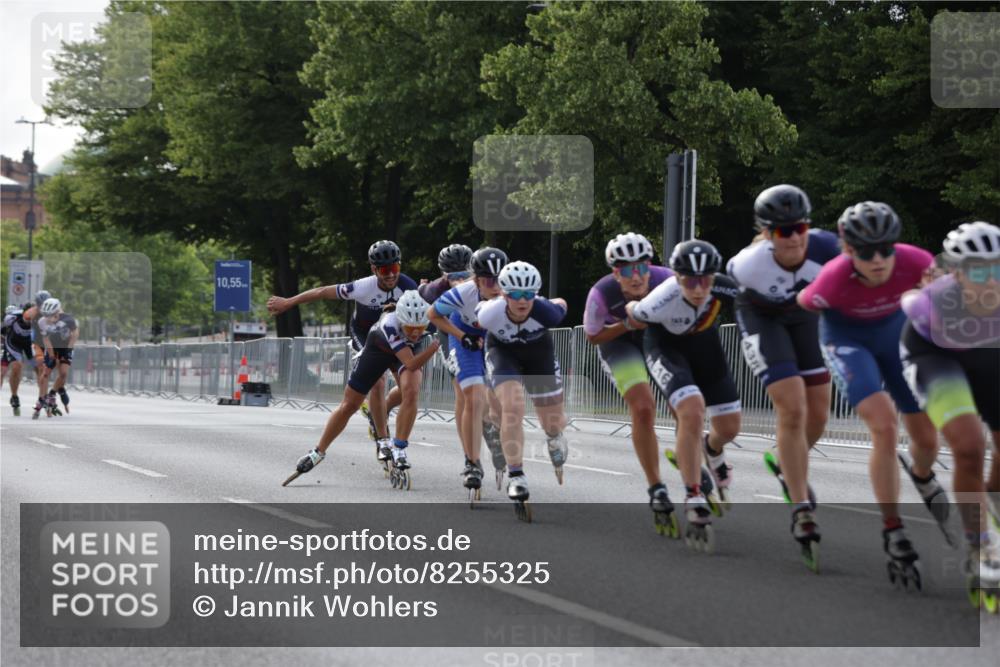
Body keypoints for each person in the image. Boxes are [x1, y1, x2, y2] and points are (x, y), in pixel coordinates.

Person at [798, 202, 950, 584]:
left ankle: (921, 473)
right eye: (867, 252)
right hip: (848, 342)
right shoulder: (833, 278)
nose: (879, 259)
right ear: (849, 251)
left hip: (896, 338)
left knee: (927, 438)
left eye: (887, 248)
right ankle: (893, 528)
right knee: (883, 427)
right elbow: (802, 304)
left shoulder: (916, 262)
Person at [727, 184, 839, 570]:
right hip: (762, 318)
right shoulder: (747, 264)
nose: (792, 238)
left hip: (805, 317)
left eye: (799, 228)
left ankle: (786, 461)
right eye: (781, 231)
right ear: (766, 233)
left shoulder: (829, 249)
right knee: (792, 409)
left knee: (819, 415)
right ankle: (800, 506)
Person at [899, 221, 1000, 609]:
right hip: (935, 355)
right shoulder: (929, 304)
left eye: (996, 269)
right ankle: (980, 546)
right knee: (970, 445)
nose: (990, 281)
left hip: (987, 357)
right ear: (957, 274)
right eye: (978, 271)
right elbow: (906, 303)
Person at [627, 240, 741, 549]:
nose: (699, 288)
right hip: (666, 349)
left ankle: (712, 449)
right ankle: (693, 493)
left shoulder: (725, 288)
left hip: (706, 348)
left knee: (730, 427)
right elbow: (634, 312)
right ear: (677, 278)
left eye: (706, 280)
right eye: (690, 280)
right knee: (691, 411)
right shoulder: (660, 298)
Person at [267, 240, 418, 458]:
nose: (391, 275)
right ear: (374, 270)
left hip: (394, 336)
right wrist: (289, 302)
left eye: (395, 268)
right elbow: (321, 292)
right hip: (366, 335)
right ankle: (383, 439)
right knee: (377, 381)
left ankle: (380, 411)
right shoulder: (363, 286)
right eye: (385, 270)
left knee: (408, 388)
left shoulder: (408, 286)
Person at [283, 290, 440, 489]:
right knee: (350, 405)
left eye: (421, 328)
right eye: (410, 328)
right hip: (379, 348)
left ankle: (399, 447)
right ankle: (317, 452)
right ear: (401, 320)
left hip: (408, 351)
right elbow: (410, 363)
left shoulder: (429, 317)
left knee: (411, 390)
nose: (416, 333)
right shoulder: (390, 325)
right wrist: (433, 348)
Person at [583, 232, 679, 535]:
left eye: (641, 267)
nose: (636, 276)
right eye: (626, 270)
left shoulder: (667, 280)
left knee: (682, 400)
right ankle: (656, 487)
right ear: (616, 273)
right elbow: (592, 335)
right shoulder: (601, 293)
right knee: (643, 409)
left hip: (658, 338)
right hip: (618, 342)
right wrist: (625, 324)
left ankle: (691, 454)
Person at [475, 261, 569, 520]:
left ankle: (554, 437)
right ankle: (517, 475)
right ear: (504, 294)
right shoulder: (489, 314)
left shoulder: (548, 312)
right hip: (503, 353)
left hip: (539, 354)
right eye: (515, 294)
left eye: (528, 294)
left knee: (552, 421)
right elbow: (479, 310)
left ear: (535, 294)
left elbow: (561, 303)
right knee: (512, 407)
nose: (522, 300)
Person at [428, 247, 509, 496]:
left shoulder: (513, 292)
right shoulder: (463, 293)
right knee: (472, 397)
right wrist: (462, 337)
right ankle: (471, 462)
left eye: (499, 280)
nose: (494, 286)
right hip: (464, 337)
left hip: (494, 337)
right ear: (475, 280)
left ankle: (494, 432)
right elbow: (433, 314)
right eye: (487, 281)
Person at [37, 298, 78, 415]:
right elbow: (45, 338)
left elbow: (75, 333)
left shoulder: (68, 319)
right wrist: (51, 355)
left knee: (63, 374)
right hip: (52, 346)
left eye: (49, 315)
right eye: (45, 315)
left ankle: (53, 392)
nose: (47, 319)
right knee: (46, 373)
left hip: (66, 346)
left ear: (56, 312)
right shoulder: (41, 322)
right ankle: (42, 398)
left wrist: (69, 348)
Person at [2, 305, 33, 416]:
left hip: (26, 345)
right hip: (10, 346)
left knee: (21, 369)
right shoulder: (11, 319)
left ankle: (42, 398)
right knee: (9, 370)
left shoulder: (37, 319)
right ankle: (13, 396)